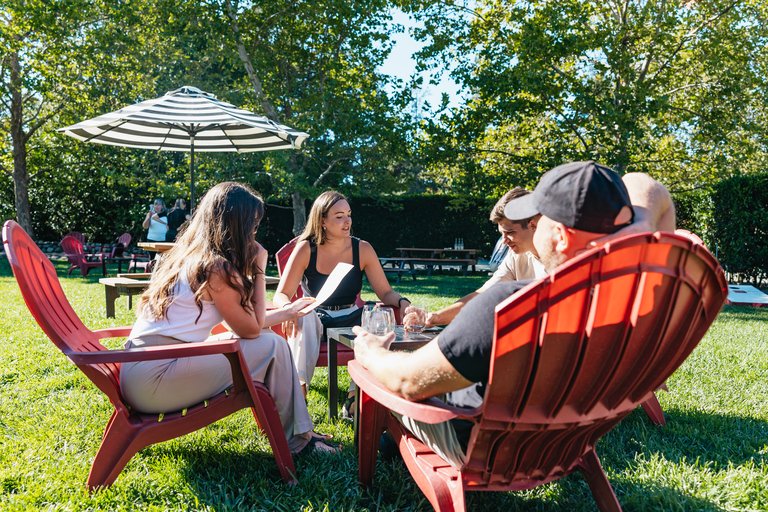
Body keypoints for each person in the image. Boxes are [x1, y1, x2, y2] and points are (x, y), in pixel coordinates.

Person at [353, 162, 676, 468]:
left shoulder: (510, 304)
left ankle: (382, 437)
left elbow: (407, 381)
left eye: (539, 220)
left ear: (559, 235)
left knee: (373, 372)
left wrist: (371, 352)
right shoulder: (635, 293)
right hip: (570, 438)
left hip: (483, 444)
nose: (533, 226)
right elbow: (649, 186)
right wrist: (639, 228)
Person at [120, 182, 339, 455]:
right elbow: (248, 329)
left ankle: (299, 433)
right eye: (253, 225)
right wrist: (259, 267)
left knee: (269, 341)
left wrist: (287, 312)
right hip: (155, 379)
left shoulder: (191, 257)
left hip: (146, 368)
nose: (255, 233)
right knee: (271, 346)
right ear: (237, 225)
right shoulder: (216, 268)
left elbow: (238, 320)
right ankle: (299, 442)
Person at [273, 190, 411, 404]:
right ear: (322, 221)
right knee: (304, 316)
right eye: (339, 216)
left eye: (348, 214)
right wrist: (289, 310)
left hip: (352, 317)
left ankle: (356, 399)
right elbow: (281, 294)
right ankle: (297, 399)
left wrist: (402, 302)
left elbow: (385, 292)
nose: (347, 221)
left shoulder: (362, 249)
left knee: (378, 320)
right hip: (316, 318)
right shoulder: (306, 249)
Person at [424, 187, 547, 328]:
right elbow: (483, 295)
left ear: (533, 225)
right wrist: (435, 318)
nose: (504, 241)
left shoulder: (562, 256)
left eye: (510, 232)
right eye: (502, 233)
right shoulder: (515, 257)